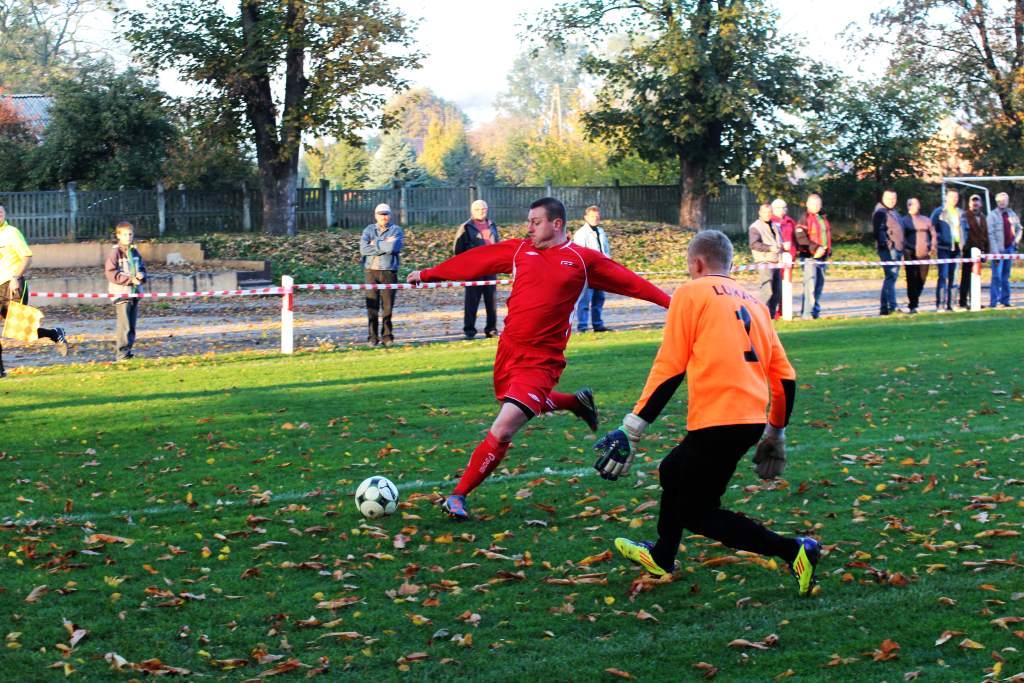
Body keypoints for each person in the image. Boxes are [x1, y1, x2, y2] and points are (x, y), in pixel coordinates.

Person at [406, 197, 670, 519]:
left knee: (503, 428)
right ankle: (576, 402)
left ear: (556, 224)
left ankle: (458, 496)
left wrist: (673, 304)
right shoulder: (519, 250)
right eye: (529, 221)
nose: (529, 227)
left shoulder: (581, 260)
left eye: (535, 222)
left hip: (542, 361)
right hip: (508, 352)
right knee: (513, 403)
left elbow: (631, 283)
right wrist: (429, 274)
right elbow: (476, 261)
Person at [592, 230, 818, 596]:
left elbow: (670, 366)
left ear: (695, 263)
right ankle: (662, 555)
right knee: (673, 470)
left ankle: (794, 550)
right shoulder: (756, 303)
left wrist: (632, 429)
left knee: (697, 513)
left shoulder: (690, 292)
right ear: (728, 263)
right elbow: (785, 375)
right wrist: (775, 431)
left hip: (719, 418)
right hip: (747, 419)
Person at [0, 203, 68, 377]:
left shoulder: (11, 233)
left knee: (20, 330)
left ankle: (54, 334)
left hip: (12, 284)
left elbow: (27, 257)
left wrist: (16, 277)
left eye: (0, 212)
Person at [453, 200, 502, 339]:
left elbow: (497, 244)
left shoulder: (492, 225)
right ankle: (469, 330)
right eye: (478, 209)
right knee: (471, 302)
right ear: (472, 211)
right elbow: (458, 250)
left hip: (490, 268)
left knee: (491, 301)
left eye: (484, 209)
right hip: (474, 270)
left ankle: (491, 329)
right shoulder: (466, 227)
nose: (482, 211)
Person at [359, 203, 404, 346]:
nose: (384, 217)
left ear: (390, 215)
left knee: (388, 307)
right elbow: (364, 249)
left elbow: (393, 247)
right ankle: (372, 338)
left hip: (389, 271)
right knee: (372, 307)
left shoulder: (396, 230)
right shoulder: (368, 230)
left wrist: (375, 243)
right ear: (375, 215)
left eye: (386, 214)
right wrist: (384, 242)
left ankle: (387, 336)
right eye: (381, 214)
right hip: (371, 271)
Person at [104, 221, 147, 360]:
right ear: (118, 236)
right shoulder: (115, 252)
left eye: (130, 234)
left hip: (135, 293)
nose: (128, 237)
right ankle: (121, 354)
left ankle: (127, 352)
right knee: (125, 326)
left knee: (132, 326)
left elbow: (142, 269)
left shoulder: (135, 251)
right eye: (125, 234)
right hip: (122, 294)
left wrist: (142, 276)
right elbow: (111, 274)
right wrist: (130, 280)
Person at [572, 205, 612, 332]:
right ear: (586, 217)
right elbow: (579, 254)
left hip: (601, 271)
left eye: (597, 216)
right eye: (592, 216)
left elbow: (605, 251)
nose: (595, 218)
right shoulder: (581, 234)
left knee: (599, 299)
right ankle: (582, 326)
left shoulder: (601, 232)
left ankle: (597, 324)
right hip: (588, 272)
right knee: (585, 301)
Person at [794, 194, 832, 319]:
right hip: (809, 257)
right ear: (807, 205)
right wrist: (816, 248)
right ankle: (807, 313)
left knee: (819, 285)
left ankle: (815, 311)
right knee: (809, 286)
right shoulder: (804, 219)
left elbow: (826, 236)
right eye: (814, 204)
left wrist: (827, 250)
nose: (816, 206)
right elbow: (801, 238)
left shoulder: (823, 217)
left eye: (818, 204)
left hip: (823, 257)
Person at [901, 198, 936, 314]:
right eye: (911, 204)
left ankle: (916, 298)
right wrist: (905, 251)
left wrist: (933, 247)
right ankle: (913, 304)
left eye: (916, 204)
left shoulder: (926, 220)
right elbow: (901, 237)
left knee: (922, 279)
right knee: (911, 279)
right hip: (910, 254)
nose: (914, 206)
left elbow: (933, 235)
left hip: (924, 254)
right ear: (908, 206)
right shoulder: (904, 221)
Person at [986, 192, 1021, 307]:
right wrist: (995, 252)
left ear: (1007, 201)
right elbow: (990, 234)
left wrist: (1015, 241)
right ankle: (993, 302)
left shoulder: (1012, 214)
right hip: (998, 251)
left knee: (1006, 276)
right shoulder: (992, 215)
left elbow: (1019, 229)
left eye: (1004, 200)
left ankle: (1005, 301)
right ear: (997, 202)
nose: (1002, 202)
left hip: (1009, 249)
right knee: (996, 276)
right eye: (1000, 200)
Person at [930, 188, 962, 312]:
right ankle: (940, 304)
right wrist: (936, 241)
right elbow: (931, 227)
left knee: (954, 277)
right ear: (946, 198)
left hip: (957, 249)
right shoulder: (939, 212)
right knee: (943, 276)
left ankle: (952, 304)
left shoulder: (960, 212)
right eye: (952, 197)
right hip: (944, 248)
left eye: (956, 197)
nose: (954, 199)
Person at [747, 203, 782, 318]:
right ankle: (759, 316)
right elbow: (754, 244)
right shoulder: (755, 227)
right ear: (760, 213)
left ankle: (770, 317)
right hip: (764, 262)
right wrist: (770, 248)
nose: (768, 214)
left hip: (776, 262)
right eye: (765, 212)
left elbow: (778, 242)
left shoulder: (775, 225)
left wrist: (782, 246)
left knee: (777, 292)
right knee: (767, 291)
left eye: (770, 212)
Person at [873, 189, 904, 315]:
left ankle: (884, 308)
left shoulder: (893, 212)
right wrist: (889, 246)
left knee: (890, 278)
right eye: (889, 198)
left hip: (897, 249)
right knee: (890, 278)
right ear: (883, 198)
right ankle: (892, 306)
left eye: (894, 199)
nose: (892, 201)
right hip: (889, 251)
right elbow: (879, 231)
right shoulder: (880, 212)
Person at [959, 194, 989, 309]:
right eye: (973, 202)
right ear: (969, 203)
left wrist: (986, 251)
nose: (975, 204)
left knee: (976, 277)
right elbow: (963, 233)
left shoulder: (982, 217)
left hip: (979, 250)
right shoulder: (965, 216)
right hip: (968, 250)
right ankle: (962, 302)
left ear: (980, 204)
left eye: (977, 202)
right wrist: (964, 248)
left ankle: (974, 301)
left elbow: (985, 234)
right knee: (966, 277)